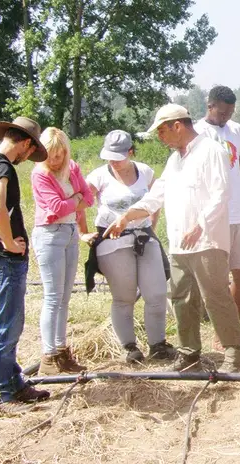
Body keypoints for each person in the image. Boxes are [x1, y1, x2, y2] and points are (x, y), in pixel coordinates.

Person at [104, 104, 240, 373]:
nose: (160, 137)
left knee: (216, 297)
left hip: (207, 242)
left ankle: (234, 354)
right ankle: (189, 354)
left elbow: (221, 194)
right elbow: (156, 195)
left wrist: (201, 225)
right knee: (182, 298)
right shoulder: (175, 160)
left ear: (178, 126)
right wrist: (127, 217)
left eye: (162, 131)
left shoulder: (211, 151)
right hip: (180, 243)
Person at [0, 116, 50, 406]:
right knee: (8, 324)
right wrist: (6, 242)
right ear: (26, 143)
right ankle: (1, 389)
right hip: (4, 259)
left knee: (11, 323)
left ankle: (13, 381)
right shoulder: (2, 167)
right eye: (30, 152)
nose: (28, 157)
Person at [85, 130, 177, 364]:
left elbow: (157, 200)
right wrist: (83, 232)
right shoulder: (98, 176)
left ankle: (158, 345)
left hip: (144, 237)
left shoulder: (145, 171)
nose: (113, 161)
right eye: (109, 156)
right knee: (124, 297)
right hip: (113, 242)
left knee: (156, 293)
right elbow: (81, 201)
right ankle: (129, 347)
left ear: (131, 152)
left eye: (118, 156)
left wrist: (152, 226)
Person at [195, 86, 240, 317]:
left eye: (231, 113)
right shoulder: (197, 133)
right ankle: (221, 332)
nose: (227, 118)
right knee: (218, 279)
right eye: (222, 113)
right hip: (214, 215)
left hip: (239, 213)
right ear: (210, 106)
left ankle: (233, 326)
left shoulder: (236, 130)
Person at [30, 127, 94, 375]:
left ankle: (61, 349)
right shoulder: (39, 174)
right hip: (49, 234)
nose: (55, 161)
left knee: (65, 296)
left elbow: (89, 197)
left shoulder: (72, 167)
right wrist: (76, 200)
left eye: (59, 155)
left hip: (69, 233)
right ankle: (48, 355)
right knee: (53, 296)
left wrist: (77, 200)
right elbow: (56, 207)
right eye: (50, 155)